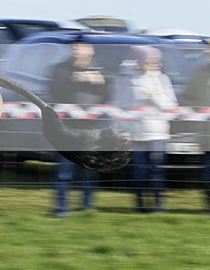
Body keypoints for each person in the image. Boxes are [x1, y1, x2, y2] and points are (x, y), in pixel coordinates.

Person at [48, 40, 110, 216]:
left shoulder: (99, 70)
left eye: (81, 48)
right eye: (74, 48)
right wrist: (72, 79)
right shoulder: (61, 69)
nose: (76, 51)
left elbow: (108, 96)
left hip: (91, 129)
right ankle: (61, 208)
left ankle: (87, 207)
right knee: (63, 171)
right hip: (66, 128)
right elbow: (55, 91)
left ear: (91, 51)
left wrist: (99, 82)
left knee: (89, 170)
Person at [114, 45, 177, 212]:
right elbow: (120, 106)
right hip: (136, 133)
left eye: (156, 61)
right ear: (140, 60)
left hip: (158, 133)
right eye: (149, 60)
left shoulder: (162, 79)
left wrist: (156, 96)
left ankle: (158, 204)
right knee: (138, 170)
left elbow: (172, 106)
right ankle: (140, 202)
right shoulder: (127, 79)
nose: (153, 64)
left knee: (157, 169)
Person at [179, 37, 210, 205]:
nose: (207, 52)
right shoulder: (199, 72)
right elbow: (188, 97)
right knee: (207, 169)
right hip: (205, 130)